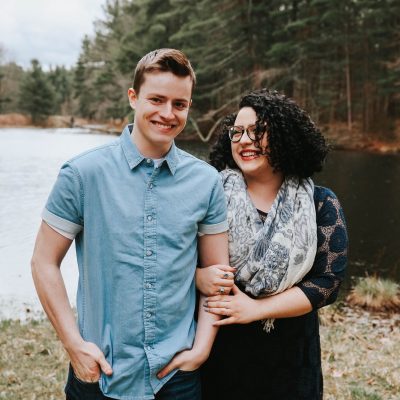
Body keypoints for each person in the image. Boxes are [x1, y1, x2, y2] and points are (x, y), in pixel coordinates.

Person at [31, 48, 230, 400]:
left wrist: (200, 350)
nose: (168, 114)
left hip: (177, 378)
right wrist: (73, 344)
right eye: (157, 99)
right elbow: (43, 262)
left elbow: (217, 273)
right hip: (100, 373)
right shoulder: (81, 174)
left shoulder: (207, 181)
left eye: (180, 104)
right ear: (133, 98)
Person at [197, 89, 348, 400]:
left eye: (257, 131)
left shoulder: (320, 203)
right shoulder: (209, 195)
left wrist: (256, 309)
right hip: (218, 350)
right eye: (236, 132)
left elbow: (328, 283)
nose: (243, 140)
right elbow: (174, 259)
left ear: (284, 136)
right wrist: (199, 277)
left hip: (291, 358)